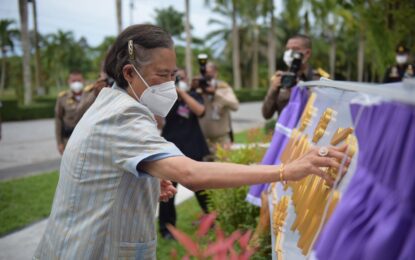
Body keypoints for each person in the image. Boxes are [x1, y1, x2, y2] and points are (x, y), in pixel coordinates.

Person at [34, 24, 349, 260]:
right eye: (161, 75)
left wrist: (142, 182)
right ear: (130, 73)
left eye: (173, 75)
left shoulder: (109, 104)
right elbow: (192, 174)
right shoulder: (123, 116)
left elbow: (104, 169)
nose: (170, 85)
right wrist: (286, 171)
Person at [158, 68, 210, 240]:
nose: (177, 79)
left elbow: (200, 111)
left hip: (193, 146)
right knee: (168, 191)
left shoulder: (193, 95)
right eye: (173, 76)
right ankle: (167, 229)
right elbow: (158, 120)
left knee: (201, 188)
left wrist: (182, 93)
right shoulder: (164, 99)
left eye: (180, 76)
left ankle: (211, 219)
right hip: (171, 149)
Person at [262, 34, 328, 120]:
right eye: (288, 49)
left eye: (295, 49)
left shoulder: (319, 80)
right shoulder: (281, 79)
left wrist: (302, 91)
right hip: (285, 131)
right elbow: (266, 114)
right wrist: (273, 90)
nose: (289, 53)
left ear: (307, 53)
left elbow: (325, 112)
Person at [198, 61, 239, 156]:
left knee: (225, 168)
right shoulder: (198, 89)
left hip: (222, 139)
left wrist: (215, 93)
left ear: (215, 73)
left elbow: (235, 106)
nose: (206, 76)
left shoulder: (223, 88)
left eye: (209, 72)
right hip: (203, 140)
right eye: (204, 73)